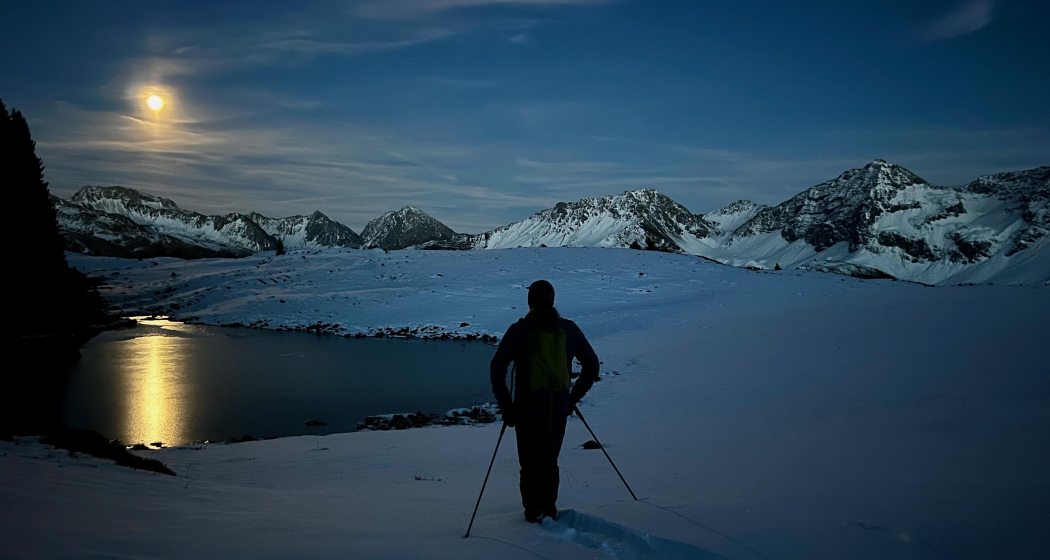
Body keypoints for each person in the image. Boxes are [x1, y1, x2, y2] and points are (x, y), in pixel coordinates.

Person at [490, 279, 600, 523]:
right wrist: (572, 399)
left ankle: (533, 513)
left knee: (529, 465)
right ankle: (549, 509)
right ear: (552, 300)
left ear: (529, 301)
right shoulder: (568, 329)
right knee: (549, 461)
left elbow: (497, 368)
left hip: (527, 412)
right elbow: (592, 365)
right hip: (557, 410)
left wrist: (507, 407)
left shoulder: (519, 331)